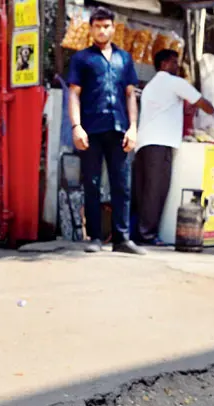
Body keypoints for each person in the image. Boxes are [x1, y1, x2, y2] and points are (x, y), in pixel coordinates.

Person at [67, 7, 140, 254]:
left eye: (106, 26)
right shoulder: (82, 59)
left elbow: (130, 96)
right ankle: (96, 237)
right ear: (91, 29)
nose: (102, 30)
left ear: (113, 28)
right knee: (92, 184)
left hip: (119, 129)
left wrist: (133, 128)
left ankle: (122, 238)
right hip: (91, 130)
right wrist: (76, 127)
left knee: (123, 184)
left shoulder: (124, 59)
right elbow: (74, 94)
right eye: (97, 26)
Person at [131, 49, 214, 246]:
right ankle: (148, 235)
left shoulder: (152, 86)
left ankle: (138, 232)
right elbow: (202, 103)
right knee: (155, 191)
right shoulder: (174, 83)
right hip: (160, 144)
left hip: (144, 144)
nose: (177, 66)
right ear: (163, 64)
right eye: (173, 62)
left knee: (143, 191)